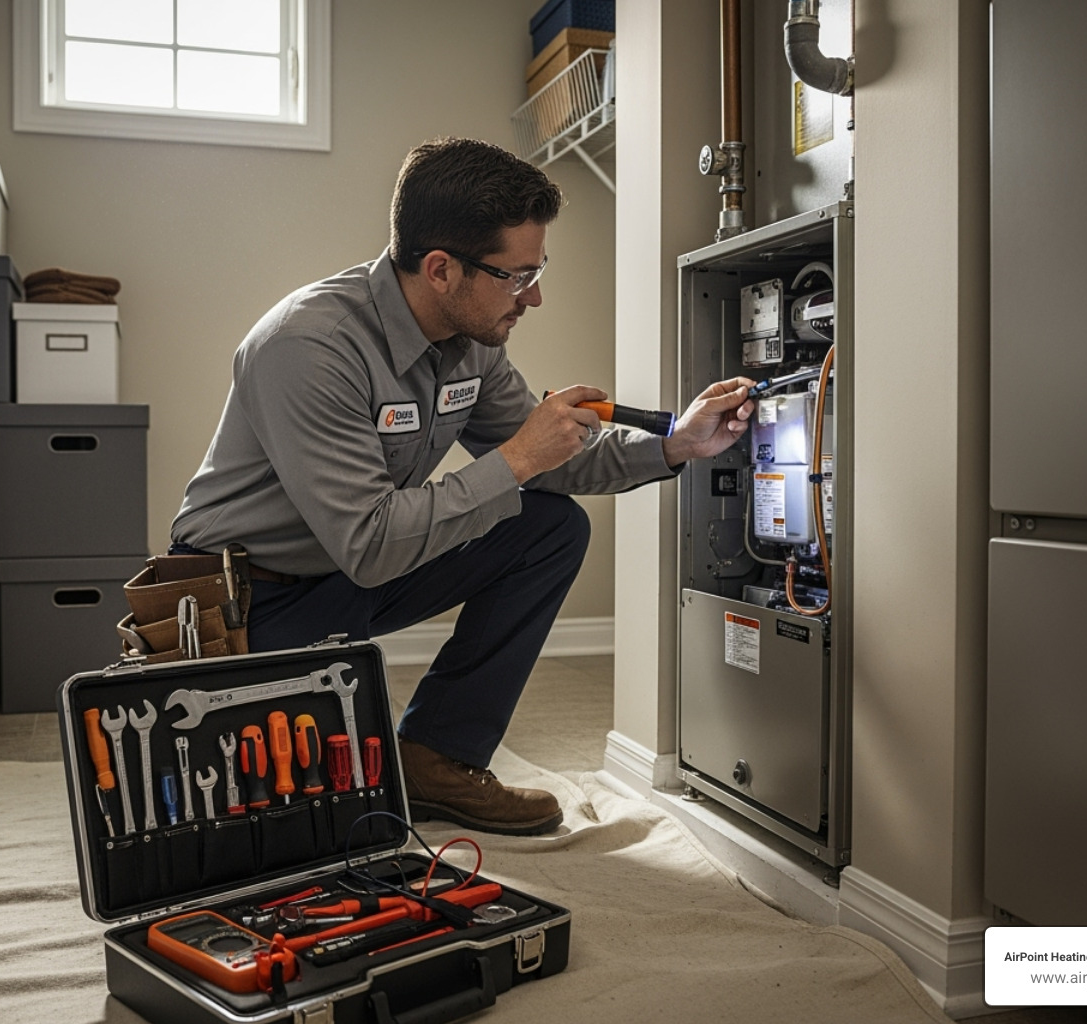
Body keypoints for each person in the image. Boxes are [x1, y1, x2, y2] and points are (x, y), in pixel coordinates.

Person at [171, 137, 755, 835]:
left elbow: (553, 461)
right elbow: (372, 543)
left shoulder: (474, 343)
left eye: (538, 272)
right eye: (517, 276)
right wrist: (514, 459)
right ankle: (357, 764)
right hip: (253, 602)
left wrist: (675, 444)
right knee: (331, 832)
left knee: (549, 528)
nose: (533, 297)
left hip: (356, 569)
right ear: (441, 268)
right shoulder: (308, 346)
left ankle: (438, 758)